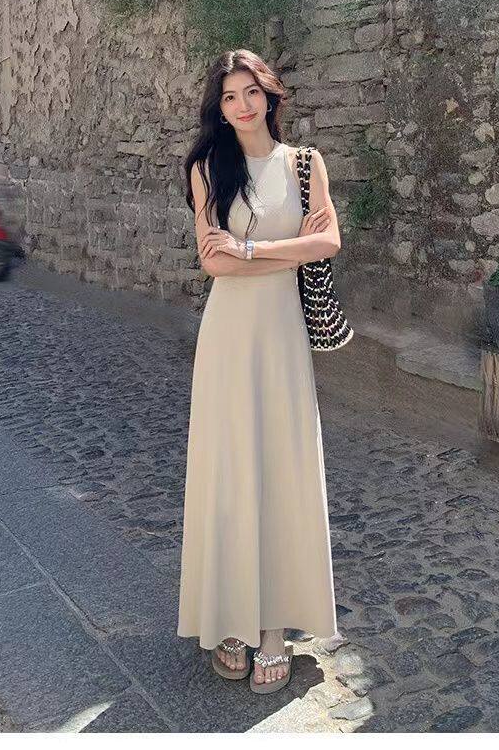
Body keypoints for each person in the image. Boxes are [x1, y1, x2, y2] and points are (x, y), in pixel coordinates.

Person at [177, 48, 341, 694]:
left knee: (280, 470)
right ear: (218, 108)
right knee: (228, 471)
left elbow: (329, 242)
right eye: (229, 96)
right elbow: (212, 262)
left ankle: (274, 628)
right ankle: (230, 617)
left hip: (282, 335)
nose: (242, 105)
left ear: (270, 94)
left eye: (251, 91)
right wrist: (285, 250)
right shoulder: (206, 168)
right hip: (228, 337)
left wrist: (251, 248)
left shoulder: (304, 163)